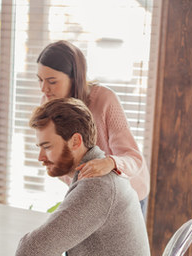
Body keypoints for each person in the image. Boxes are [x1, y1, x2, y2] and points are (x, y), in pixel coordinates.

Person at [0, 98, 152, 256]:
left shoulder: (96, 187)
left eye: (47, 147)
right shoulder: (95, 172)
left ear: (75, 141)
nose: (41, 157)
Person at [36, 40, 150, 217]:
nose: (44, 89)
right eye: (40, 80)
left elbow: (133, 158)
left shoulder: (105, 100)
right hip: (92, 192)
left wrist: (109, 162)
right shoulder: (48, 103)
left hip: (129, 192)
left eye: (52, 81)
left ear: (75, 78)